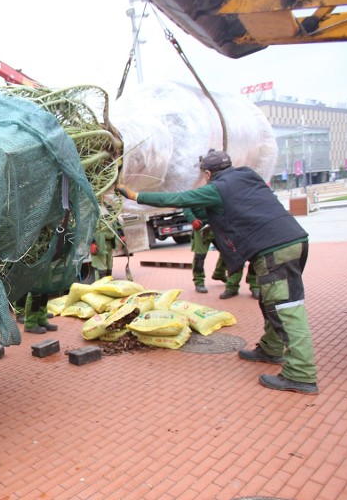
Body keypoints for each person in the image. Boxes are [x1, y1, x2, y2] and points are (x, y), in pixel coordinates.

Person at [115, 149, 318, 394]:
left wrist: (135, 194)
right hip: (295, 241)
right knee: (270, 301)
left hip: (274, 250)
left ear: (209, 173)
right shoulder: (247, 176)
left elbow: (179, 199)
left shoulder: (216, 188)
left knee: (287, 308)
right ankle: (271, 348)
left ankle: (301, 373)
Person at [183, 208, 227, 293]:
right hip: (201, 226)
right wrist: (193, 220)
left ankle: (219, 273)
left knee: (227, 252)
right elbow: (186, 208)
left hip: (217, 225)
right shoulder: (193, 194)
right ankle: (199, 282)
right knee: (200, 256)